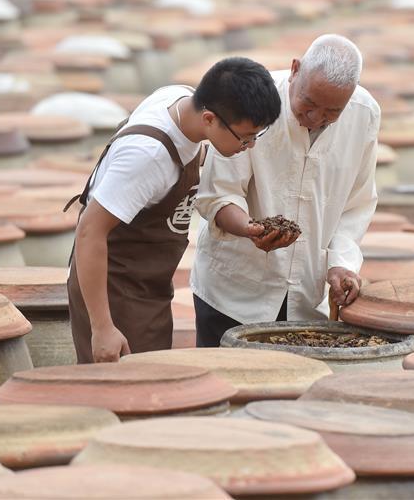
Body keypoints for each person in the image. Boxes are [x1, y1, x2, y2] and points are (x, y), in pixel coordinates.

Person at [66, 57, 281, 363]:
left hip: (147, 282)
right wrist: (102, 327)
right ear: (209, 118)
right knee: (125, 394)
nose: (249, 147)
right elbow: (89, 231)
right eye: (244, 138)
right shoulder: (148, 156)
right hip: (114, 287)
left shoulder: (179, 99)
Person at [192, 34, 379, 346]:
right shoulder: (251, 100)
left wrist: (341, 264)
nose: (316, 118)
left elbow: (355, 205)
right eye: (308, 104)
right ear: (295, 70)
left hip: (307, 300)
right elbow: (218, 193)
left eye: (333, 112)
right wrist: (250, 229)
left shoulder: (365, 114)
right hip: (232, 296)